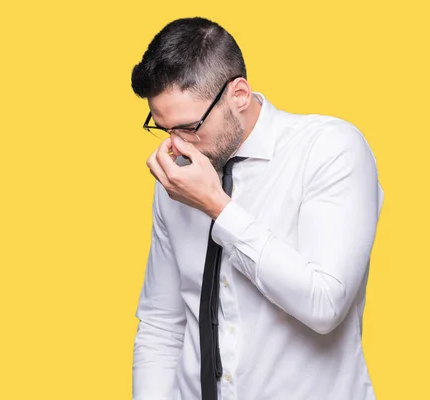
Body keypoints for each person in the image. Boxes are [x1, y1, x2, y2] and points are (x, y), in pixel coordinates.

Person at [130, 17, 383, 400]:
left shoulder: (330, 150)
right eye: (165, 129)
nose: (177, 146)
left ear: (240, 95)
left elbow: (325, 304)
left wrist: (217, 207)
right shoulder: (179, 175)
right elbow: (162, 323)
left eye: (189, 126)